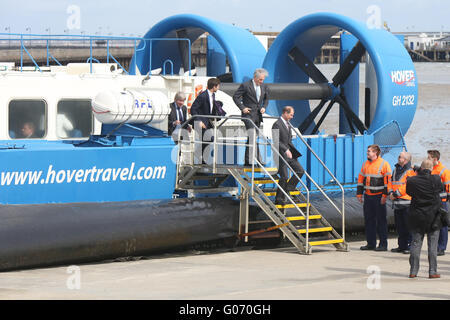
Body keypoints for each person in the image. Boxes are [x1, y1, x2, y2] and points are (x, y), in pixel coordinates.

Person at [406, 159, 444, 279]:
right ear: (431, 169)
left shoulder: (412, 180)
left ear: (421, 168)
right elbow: (441, 189)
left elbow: (409, 192)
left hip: (417, 216)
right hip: (433, 217)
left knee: (416, 244)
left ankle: (413, 271)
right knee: (432, 245)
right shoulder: (436, 179)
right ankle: (432, 271)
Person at [357, 144, 392, 251]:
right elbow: (360, 179)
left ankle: (383, 244)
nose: (367, 153)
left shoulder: (384, 164)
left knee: (381, 221)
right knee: (369, 220)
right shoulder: (365, 164)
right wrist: (359, 194)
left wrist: (384, 196)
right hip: (368, 196)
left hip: (379, 197)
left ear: (375, 153)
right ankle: (370, 243)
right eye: (367, 151)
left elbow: (388, 182)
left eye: (369, 151)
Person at [233, 68, 269, 166]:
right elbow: (235, 97)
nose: (262, 82)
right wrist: (242, 107)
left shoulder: (264, 86)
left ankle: (248, 160)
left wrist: (264, 107)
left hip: (258, 115)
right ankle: (258, 160)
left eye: (263, 79)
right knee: (252, 135)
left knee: (252, 137)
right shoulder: (245, 85)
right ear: (255, 77)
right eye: (260, 79)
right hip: (248, 115)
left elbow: (266, 99)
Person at [272, 106, 304, 205]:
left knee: (300, 171)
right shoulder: (276, 124)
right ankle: (279, 198)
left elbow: (288, 141)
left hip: (289, 154)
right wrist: (286, 150)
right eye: (291, 115)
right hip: (280, 154)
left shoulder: (288, 124)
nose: (292, 117)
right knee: (284, 177)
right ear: (285, 113)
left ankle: (287, 190)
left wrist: (292, 151)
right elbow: (276, 140)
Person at [190, 78, 221, 164]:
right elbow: (193, 109)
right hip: (200, 122)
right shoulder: (202, 96)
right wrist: (199, 121)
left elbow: (209, 109)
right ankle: (201, 158)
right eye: (218, 86)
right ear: (214, 86)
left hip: (207, 122)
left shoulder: (213, 95)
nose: (218, 88)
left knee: (209, 139)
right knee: (208, 139)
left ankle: (200, 157)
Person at [389, 151, 415, 254]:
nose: (398, 158)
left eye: (400, 157)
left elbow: (407, 185)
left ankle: (409, 246)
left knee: (408, 226)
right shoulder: (395, 169)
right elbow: (391, 182)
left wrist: (395, 194)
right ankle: (402, 245)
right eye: (399, 156)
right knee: (400, 226)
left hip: (407, 203)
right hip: (397, 203)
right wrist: (390, 192)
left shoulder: (410, 171)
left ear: (406, 160)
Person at [427, 150, 450, 256]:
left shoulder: (444, 171)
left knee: (442, 225)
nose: (427, 159)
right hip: (432, 201)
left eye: (429, 157)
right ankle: (435, 247)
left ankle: (441, 247)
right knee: (433, 224)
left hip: (442, 202)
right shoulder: (430, 170)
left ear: (435, 159)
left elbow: (448, 187)